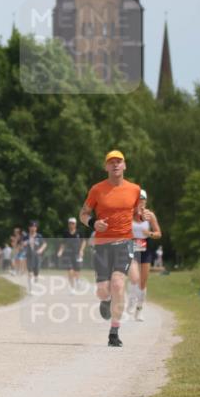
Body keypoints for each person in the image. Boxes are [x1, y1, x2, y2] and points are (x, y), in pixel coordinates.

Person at [79, 149, 140, 348]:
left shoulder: (134, 189)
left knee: (118, 284)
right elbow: (83, 213)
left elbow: (138, 214)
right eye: (111, 162)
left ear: (125, 165)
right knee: (103, 291)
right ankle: (106, 301)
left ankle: (114, 332)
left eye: (119, 161)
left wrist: (143, 216)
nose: (115, 165)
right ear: (106, 166)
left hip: (124, 242)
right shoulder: (97, 189)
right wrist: (93, 223)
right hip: (103, 245)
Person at [127, 189, 162, 320]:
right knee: (134, 278)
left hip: (145, 248)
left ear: (146, 201)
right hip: (131, 247)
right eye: (138, 200)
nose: (140, 202)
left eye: (142, 200)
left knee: (143, 282)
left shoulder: (150, 215)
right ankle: (131, 299)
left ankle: (139, 309)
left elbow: (159, 233)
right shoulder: (129, 214)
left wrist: (150, 234)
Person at [56, 217, 84, 292]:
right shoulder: (66, 233)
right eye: (70, 223)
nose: (71, 225)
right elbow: (63, 243)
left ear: (75, 224)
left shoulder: (79, 233)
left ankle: (77, 280)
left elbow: (83, 242)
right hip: (68, 254)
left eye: (73, 223)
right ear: (68, 224)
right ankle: (72, 288)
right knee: (70, 271)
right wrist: (60, 251)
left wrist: (81, 250)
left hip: (77, 254)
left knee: (77, 271)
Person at [23, 220, 47, 289]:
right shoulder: (26, 237)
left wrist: (41, 250)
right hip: (29, 255)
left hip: (37, 256)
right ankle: (31, 288)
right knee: (30, 271)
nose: (33, 228)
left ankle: (36, 276)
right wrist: (24, 244)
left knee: (36, 270)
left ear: (36, 228)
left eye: (34, 226)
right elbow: (22, 245)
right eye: (31, 226)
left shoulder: (39, 236)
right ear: (29, 228)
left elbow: (45, 244)